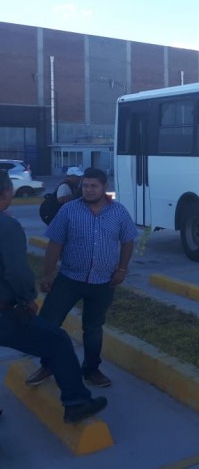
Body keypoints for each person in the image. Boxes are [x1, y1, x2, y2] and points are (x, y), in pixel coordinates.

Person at [0, 169, 108, 423]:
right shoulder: (7, 226)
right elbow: (17, 272)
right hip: (4, 312)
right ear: (7, 192)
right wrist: (27, 298)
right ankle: (76, 402)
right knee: (57, 341)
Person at [25, 167, 137, 389]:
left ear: (104, 187)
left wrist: (122, 270)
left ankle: (92, 370)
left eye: (93, 186)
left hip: (103, 282)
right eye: (85, 185)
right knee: (49, 323)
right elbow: (55, 243)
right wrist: (47, 274)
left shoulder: (119, 212)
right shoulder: (68, 210)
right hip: (69, 280)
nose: (88, 190)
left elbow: (127, 241)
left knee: (93, 329)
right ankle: (48, 365)